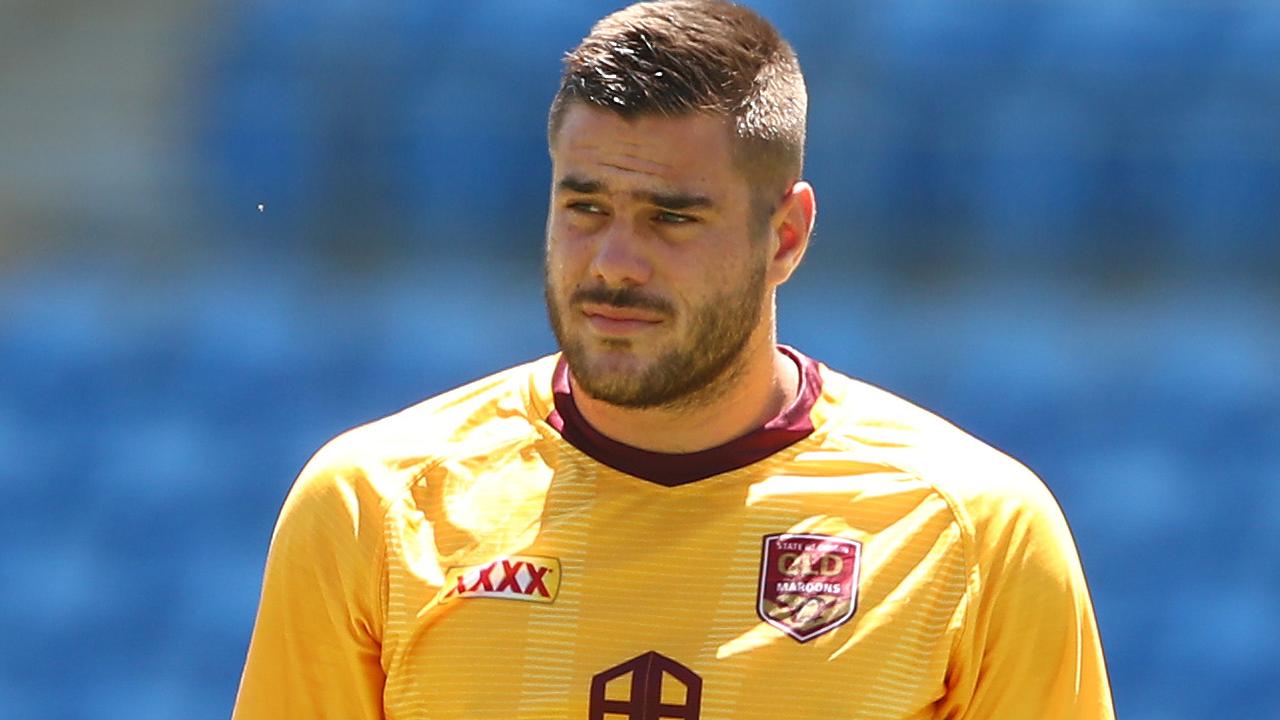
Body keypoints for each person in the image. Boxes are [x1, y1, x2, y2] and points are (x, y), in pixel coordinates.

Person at [232, 1, 1115, 718]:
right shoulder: (371, 508)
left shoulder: (975, 532)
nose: (614, 261)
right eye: (585, 206)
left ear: (787, 236)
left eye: (672, 217)